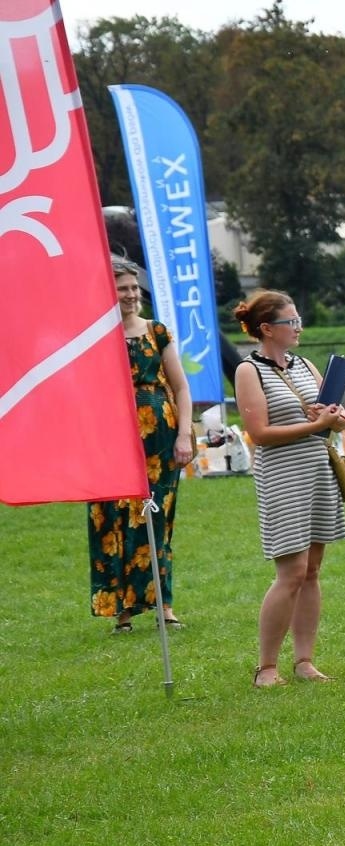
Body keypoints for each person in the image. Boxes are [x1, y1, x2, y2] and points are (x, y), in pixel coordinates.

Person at [233, 290, 345, 687]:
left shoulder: (305, 365)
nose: (299, 327)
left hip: (317, 470)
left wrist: (335, 418)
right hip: (282, 475)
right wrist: (318, 426)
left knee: (312, 570)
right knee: (291, 572)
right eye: (291, 321)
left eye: (298, 320)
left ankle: (304, 661)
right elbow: (260, 433)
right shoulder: (250, 370)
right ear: (267, 329)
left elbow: (328, 408)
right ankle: (266, 668)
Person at [89, 258, 193, 633]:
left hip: (160, 437)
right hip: (110, 436)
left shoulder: (156, 331)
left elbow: (180, 386)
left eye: (134, 287)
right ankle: (123, 610)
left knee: (157, 518)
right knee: (114, 518)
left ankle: (163, 603)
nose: (131, 295)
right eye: (123, 288)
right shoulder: (94, 334)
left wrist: (184, 435)